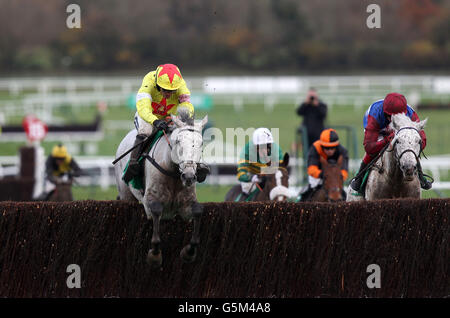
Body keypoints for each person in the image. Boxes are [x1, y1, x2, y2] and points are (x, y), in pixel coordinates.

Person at [123, 63, 209, 183]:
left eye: (172, 91)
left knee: (188, 133)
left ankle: (196, 164)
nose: (168, 94)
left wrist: (181, 118)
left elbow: (187, 105)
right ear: (158, 85)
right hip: (148, 117)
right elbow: (143, 108)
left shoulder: (180, 84)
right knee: (146, 131)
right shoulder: (149, 82)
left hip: (170, 117)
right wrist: (155, 121)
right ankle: (133, 163)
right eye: (165, 90)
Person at [350, 92, 431, 194]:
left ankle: (421, 176)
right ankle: (360, 177)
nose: (392, 120)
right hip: (379, 130)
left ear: (404, 113)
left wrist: (411, 149)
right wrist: (386, 141)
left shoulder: (410, 114)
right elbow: (369, 147)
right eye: (390, 116)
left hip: (400, 130)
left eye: (397, 117)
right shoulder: (375, 114)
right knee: (373, 153)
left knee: (408, 148)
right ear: (385, 113)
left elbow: (422, 140)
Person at [300, 129, 349, 201]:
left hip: (335, 177)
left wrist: (335, 177)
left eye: (332, 148)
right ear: (321, 145)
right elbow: (311, 169)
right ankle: (302, 200)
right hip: (318, 175)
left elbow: (344, 172)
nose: (330, 151)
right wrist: (323, 175)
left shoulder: (343, 151)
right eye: (326, 148)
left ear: (337, 146)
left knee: (343, 192)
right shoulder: (315, 148)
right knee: (312, 186)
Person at [236, 128, 283, 201]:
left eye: (267, 146)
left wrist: (265, 173)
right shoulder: (247, 151)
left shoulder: (276, 150)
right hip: (252, 175)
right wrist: (251, 178)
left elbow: (280, 169)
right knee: (247, 188)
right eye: (261, 147)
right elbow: (241, 174)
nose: (264, 149)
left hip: (269, 175)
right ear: (255, 146)